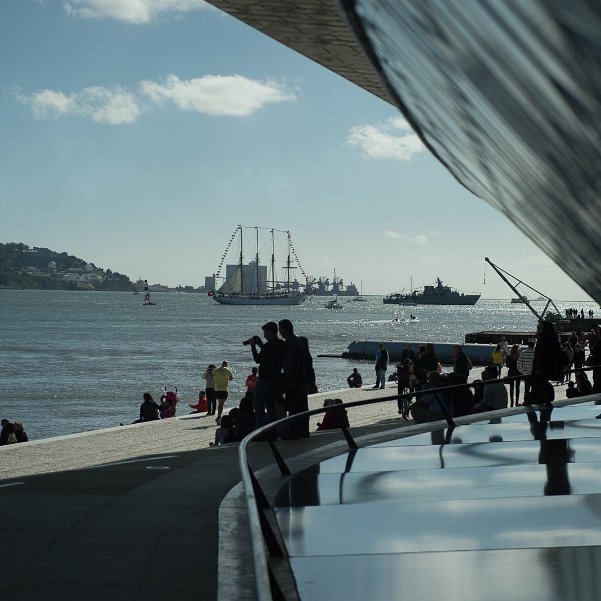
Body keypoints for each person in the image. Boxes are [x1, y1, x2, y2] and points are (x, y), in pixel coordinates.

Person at [248, 322, 287, 428]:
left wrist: (253, 346)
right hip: (275, 379)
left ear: (269, 332)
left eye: (265, 332)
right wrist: (260, 344)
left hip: (264, 379)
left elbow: (258, 359)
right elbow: (268, 354)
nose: (264, 335)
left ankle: (260, 430)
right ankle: (273, 430)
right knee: (271, 407)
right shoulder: (281, 344)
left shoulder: (269, 345)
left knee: (259, 405)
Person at [278, 319, 311, 439]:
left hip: (294, 380)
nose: (279, 332)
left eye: (280, 329)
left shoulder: (291, 344)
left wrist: (291, 381)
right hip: (299, 379)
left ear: (284, 329)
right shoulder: (296, 342)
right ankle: (302, 431)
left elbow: (293, 365)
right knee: (301, 406)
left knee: (294, 407)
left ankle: (294, 432)